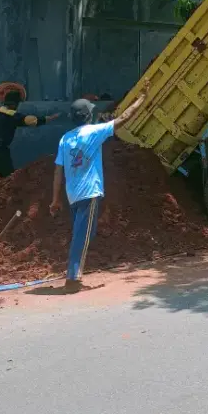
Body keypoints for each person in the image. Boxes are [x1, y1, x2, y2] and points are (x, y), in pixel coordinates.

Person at [50, 82, 150, 293]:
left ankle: (73, 275)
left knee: (83, 233)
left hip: (73, 195)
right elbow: (123, 119)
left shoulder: (65, 139)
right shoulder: (94, 132)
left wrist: (55, 199)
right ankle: (73, 279)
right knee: (83, 235)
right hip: (89, 192)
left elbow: (58, 171)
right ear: (88, 116)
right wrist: (142, 98)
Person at [0, 90, 60, 177]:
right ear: (15, 104)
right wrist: (51, 118)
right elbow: (33, 121)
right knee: (8, 179)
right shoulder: (12, 115)